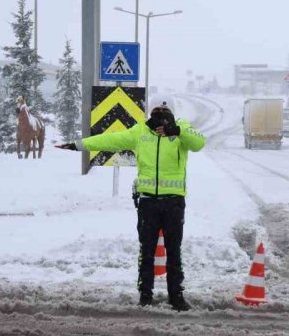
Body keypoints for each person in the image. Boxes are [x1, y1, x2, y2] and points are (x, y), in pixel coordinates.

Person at [56, 99, 205, 311]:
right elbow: (109, 140)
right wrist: (78, 145)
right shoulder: (140, 132)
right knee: (147, 251)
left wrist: (178, 130)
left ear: (172, 113)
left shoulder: (181, 131)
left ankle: (176, 296)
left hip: (173, 202)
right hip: (147, 202)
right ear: (149, 114)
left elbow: (199, 143)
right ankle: (145, 295)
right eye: (156, 112)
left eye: (165, 112)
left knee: (174, 251)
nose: (160, 117)